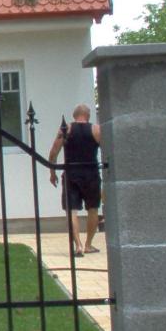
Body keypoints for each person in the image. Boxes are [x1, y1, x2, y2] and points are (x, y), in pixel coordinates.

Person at [48, 103, 102, 257]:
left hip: (72, 173)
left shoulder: (66, 129)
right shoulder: (96, 129)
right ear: (88, 115)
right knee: (93, 209)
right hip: (91, 173)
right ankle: (88, 245)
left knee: (71, 211)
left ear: (74, 115)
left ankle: (77, 245)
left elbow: (53, 153)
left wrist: (52, 173)